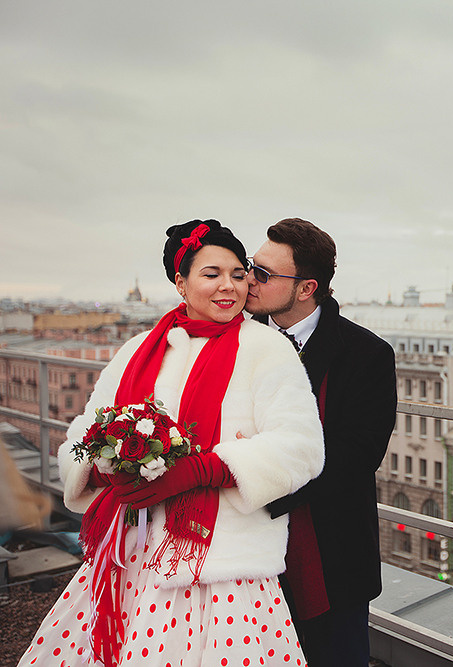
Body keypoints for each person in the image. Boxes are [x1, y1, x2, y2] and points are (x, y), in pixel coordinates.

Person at [18, 220, 325, 667]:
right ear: (180, 283)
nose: (229, 287)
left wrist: (204, 469)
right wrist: (104, 468)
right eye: (211, 274)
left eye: (239, 274)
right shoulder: (139, 349)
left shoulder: (267, 349)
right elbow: (82, 435)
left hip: (225, 563)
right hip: (131, 554)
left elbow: (301, 446)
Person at [243, 218, 396, 666]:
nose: (249, 279)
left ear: (307, 287)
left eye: (264, 274)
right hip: (248, 548)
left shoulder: (366, 354)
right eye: (252, 266)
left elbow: (357, 457)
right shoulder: (235, 339)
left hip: (331, 550)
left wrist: (254, 485)